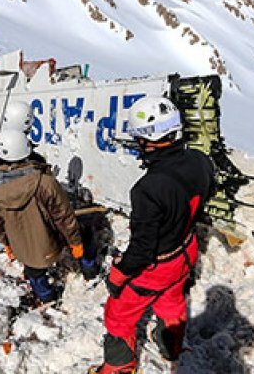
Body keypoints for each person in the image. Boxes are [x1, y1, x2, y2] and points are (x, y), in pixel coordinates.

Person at [91, 96, 215, 374]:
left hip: (157, 264)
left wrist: (119, 274)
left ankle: (119, 366)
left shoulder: (148, 188)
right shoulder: (199, 160)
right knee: (171, 300)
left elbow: (143, 248)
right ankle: (171, 345)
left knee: (119, 314)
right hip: (185, 249)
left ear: (148, 139)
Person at [0, 130, 85, 304]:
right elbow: (63, 216)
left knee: (34, 273)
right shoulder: (44, 182)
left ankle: (47, 297)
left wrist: (7, 243)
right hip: (49, 244)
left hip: (20, 247)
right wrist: (75, 241)